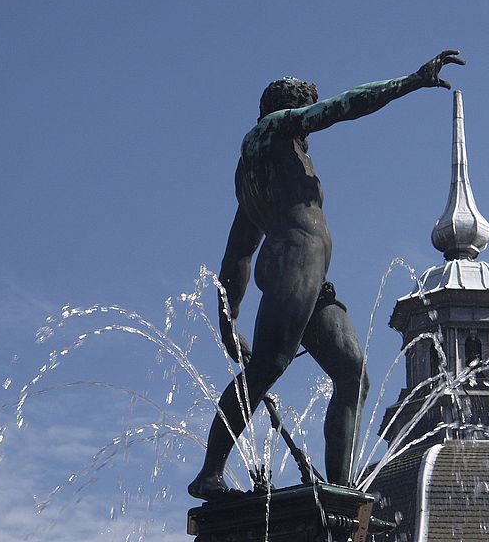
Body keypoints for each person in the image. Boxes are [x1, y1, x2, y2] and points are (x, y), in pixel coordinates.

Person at [188, 50, 465, 499]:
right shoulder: (279, 129)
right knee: (267, 368)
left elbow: (238, 252)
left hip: (306, 273)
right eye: (304, 111)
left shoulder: (256, 171)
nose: (309, 132)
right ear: (289, 109)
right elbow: (346, 105)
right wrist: (412, 81)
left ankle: (340, 489)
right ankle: (209, 472)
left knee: (353, 374)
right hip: (295, 263)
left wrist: (229, 319)